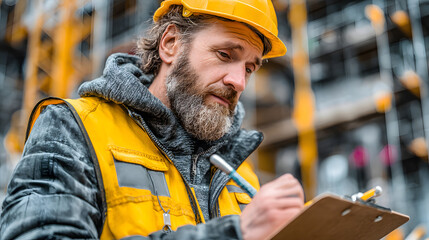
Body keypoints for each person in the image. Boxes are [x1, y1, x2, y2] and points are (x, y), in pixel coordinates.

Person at [0, 0, 304, 239]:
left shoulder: (240, 172)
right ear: (171, 43)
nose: (239, 81)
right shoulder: (74, 128)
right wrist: (233, 234)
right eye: (225, 55)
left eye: (250, 68)